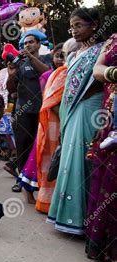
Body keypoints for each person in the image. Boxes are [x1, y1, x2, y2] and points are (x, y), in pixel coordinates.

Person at [47, 8, 105, 235]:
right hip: (71, 112)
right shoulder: (73, 55)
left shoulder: (103, 50)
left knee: (84, 160)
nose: (75, 30)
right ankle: (65, 215)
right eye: (72, 26)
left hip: (90, 111)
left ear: (94, 25)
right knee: (69, 161)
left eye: (79, 25)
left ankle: (84, 219)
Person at [35, 39, 81, 213]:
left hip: (56, 123)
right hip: (56, 123)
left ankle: (53, 205)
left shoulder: (65, 71)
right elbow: (51, 102)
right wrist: (67, 119)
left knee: (56, 163)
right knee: (54, 163)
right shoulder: (62, 73)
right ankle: (50, 205)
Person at [18, 43, 66, 204]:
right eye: (58, 55)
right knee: (38, 155)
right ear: (52, 56)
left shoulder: (68, 73)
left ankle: (52, 196)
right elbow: (49, 99)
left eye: (64, 56)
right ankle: (27, 190)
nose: (61, 59)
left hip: (64, 121)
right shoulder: (48, 76)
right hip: (50, 120)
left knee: (56, 159)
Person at [85, 33, 117, 262]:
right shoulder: (113, 40)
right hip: (111, 115)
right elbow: (98, 70)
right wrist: (113, 73)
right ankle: (105, 247)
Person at [6, 34, 53, 193]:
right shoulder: (20, 64)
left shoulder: (47, 59)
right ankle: (21, 180)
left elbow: (46, 72)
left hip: (42, 109)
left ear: (39, 44)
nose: (27, 45)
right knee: (22, 144)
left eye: (31, 42)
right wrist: (11, 75)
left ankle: (38, 180)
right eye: (25, 43)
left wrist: (32, 57)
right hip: (23, 111)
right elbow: (11, 89)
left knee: (39, 145)